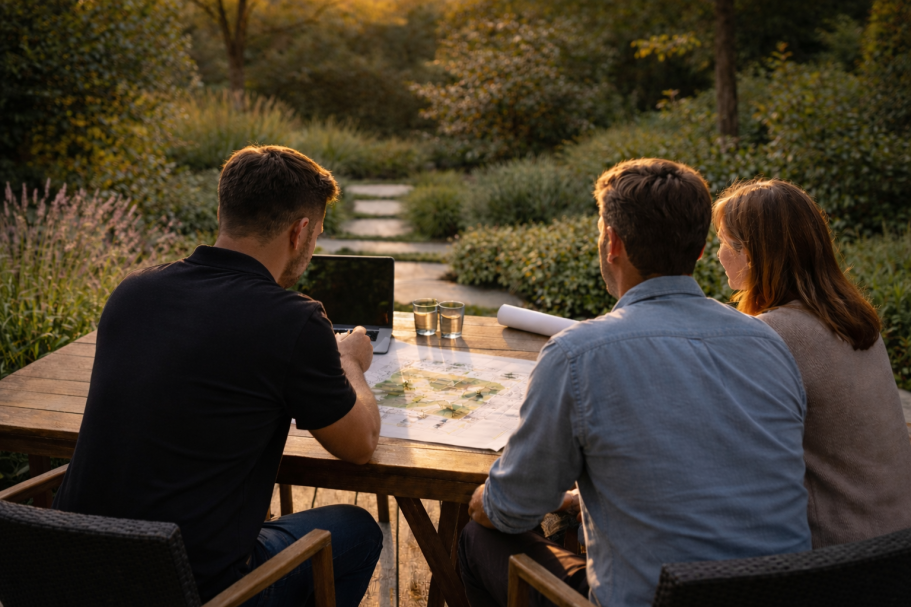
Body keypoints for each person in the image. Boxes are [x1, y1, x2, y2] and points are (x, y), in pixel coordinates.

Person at [458, 158, 812, 607]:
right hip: (783, 594)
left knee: (477, 536)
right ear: (701, 249)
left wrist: (479, 501)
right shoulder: (768, 343)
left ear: (612, 244)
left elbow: (508, 511)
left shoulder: (577, 355)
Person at [53, 145, 384, 606]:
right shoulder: (292, 320)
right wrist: (348, 360)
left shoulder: (133, 292)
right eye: (317, 234)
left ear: (222, 211)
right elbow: (361, 445)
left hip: (65, 572)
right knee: (357, 530)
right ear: (301, 231)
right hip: (193, 590)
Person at [713, 178, 911, 548]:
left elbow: (728, 454)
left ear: (751, 253)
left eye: (724, 242)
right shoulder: (855, 320)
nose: (719, 255)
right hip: (897, 543)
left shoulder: (772, 335)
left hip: (840, 559)